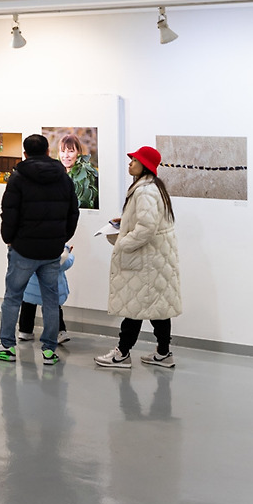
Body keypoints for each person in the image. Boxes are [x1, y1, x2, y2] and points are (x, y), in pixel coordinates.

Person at [0, 133, 80, 365]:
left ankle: (7, 346)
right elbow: (73, 212)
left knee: (12, 298)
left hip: (23, 249)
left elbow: (9, 212)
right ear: (48, 152)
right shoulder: (63, 177)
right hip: (51, 250)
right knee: (51, 300)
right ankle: (49, 351)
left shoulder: (18, 178)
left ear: (25, 154)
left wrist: (9, 239)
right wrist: (61, 238)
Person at [95, 146, 182, 369]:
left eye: (134, 160)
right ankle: (163, 353)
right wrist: (125, 221)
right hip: (156, 259)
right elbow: (148, 222)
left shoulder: (145, 191)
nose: (130, 163)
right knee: (158, 309)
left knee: (134, 308)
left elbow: (146, 228)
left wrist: (123, 242)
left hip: (147, 260)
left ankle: (122, 354)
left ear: (145, 165)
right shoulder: (153, 187)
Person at [18, 244, 74, 343]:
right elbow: (65, 264)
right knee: (53, 309)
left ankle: (25, 331)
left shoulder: (30, 245)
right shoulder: (56, 247)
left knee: (27, 307)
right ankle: (59, 332)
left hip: (31, 287)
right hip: (50, 286)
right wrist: (68, 254)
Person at [58, 133, 99, 209]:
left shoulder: (91, 177)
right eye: (63, 151)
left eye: (70, 151)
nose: (66, 155)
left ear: (79, 153)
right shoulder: (54, 175)